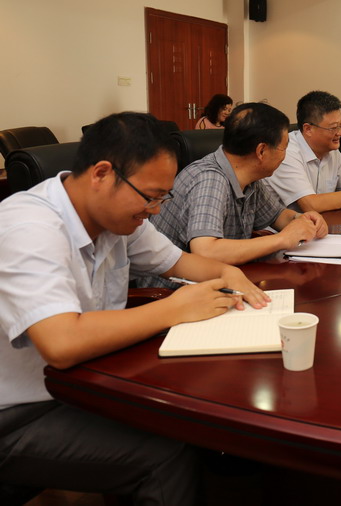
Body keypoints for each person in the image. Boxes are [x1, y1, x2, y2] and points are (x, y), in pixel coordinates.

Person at [0, 112, 267, 504]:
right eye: (150, 196)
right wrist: (174, 309)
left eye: (162, 197)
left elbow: (180, 262)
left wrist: (228, 272)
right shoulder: (29, 227)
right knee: (166, 454)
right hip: (18, 410)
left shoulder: (116, 218)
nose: (155, 210)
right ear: (102, 174)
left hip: (79, 385)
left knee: (190, 416)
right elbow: (61, 343)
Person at [146, 102, 328, 288]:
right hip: (171, 293)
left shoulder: (249, 177)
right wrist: (281, 239)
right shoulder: (210, 179)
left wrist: (302, 220)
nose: (284, 156)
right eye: (284, 148)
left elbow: (278, 216)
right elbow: (206, 252)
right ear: (261, 151)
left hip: (220, 281)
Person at [266, 91, 341, 213]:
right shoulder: (286, 152)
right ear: (308, 129)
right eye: (333, 127)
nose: (340, 132)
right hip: (284, 225)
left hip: (322, 222)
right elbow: (311, 205)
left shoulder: (331, 151)